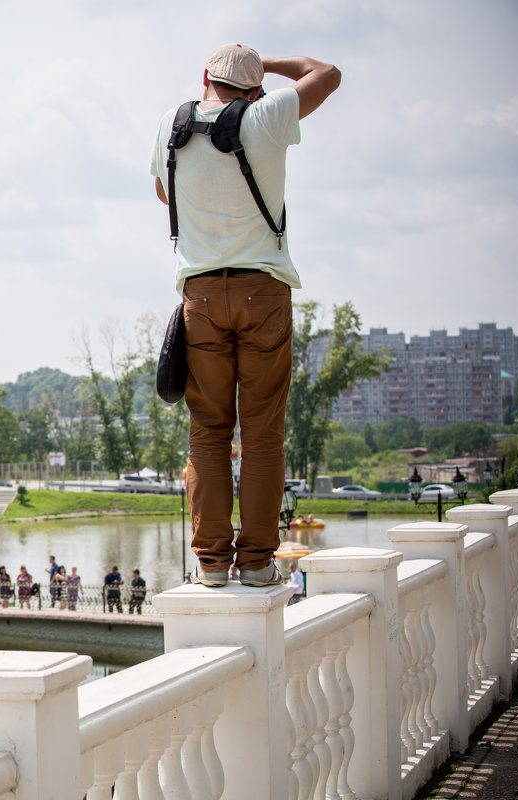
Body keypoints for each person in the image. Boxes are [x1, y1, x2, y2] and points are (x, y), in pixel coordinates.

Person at [151, 44, 341, 588]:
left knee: (208, 431)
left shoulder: (172, 122)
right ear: (255, 91)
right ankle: (257, 563)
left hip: (202, 295)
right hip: (264, 291)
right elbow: (328, 74)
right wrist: (274, 65)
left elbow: (166, 193)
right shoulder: (267, 115)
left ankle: (211, 562)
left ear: (203, 78)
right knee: (262, 431)